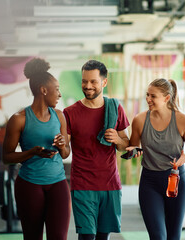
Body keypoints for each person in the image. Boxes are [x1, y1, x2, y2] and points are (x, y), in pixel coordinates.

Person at [2, 57, 71, 240]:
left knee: (59, 237)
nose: (59, 94)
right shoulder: (19, 119)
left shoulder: (59, 116)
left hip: (58, 183)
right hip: (29, 184)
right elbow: (7, 157)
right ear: (43, 90)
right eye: (57, 90)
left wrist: (63, 146)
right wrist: (32, 152)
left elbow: (65, 154)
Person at [63, 59, 130, 240]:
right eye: (85, 81)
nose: (88, 86)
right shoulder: (70, 112)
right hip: (83, 185)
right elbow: (65, 149)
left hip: (110, 185)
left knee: (102, 238)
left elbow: (126, 144)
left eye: (93, 81)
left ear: (104, 82)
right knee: (86, 237)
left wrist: (117, 139)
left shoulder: (115, 108)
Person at [127, 78, 185, 240]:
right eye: (147, 95)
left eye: (153, 96)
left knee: (173, 236)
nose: (148, 99)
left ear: (166, 98)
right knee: (157, 236)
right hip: (150, 182)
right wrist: (132, 150)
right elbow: (132, 146)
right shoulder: (139, 120)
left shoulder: (182, 120)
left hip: (176, 181)